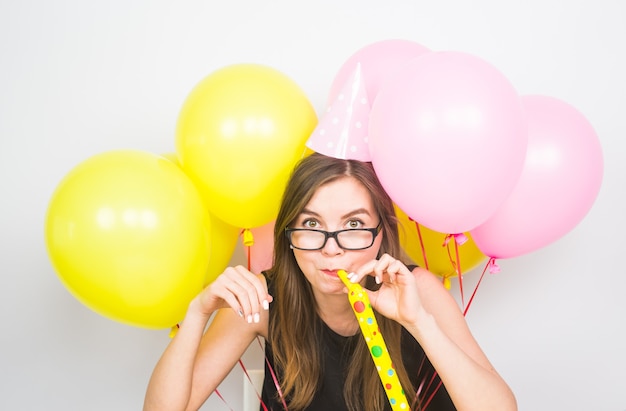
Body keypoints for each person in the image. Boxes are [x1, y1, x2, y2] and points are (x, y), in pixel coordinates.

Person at [143, 153, 517, 411]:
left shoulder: (417, 290)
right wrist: (197, 312)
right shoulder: (263, 300)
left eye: (353, 225)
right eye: (311, 225)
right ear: (288, 234)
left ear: (381, 233)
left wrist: (419, 323)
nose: (331, 250)